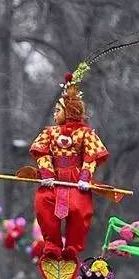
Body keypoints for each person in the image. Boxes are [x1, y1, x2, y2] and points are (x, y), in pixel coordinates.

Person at [30, 68, 108, 261]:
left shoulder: (86, 133)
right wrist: (46, 173)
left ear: (69, 111)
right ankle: (52, 244)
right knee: (43, 204)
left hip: (76, 180)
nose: (55, 114)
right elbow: (41, 152)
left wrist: (85, 177)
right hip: (53, 180)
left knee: (80, 209)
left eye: (58, 110)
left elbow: (91, 155)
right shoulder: (50, 132)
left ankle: (73, 246)